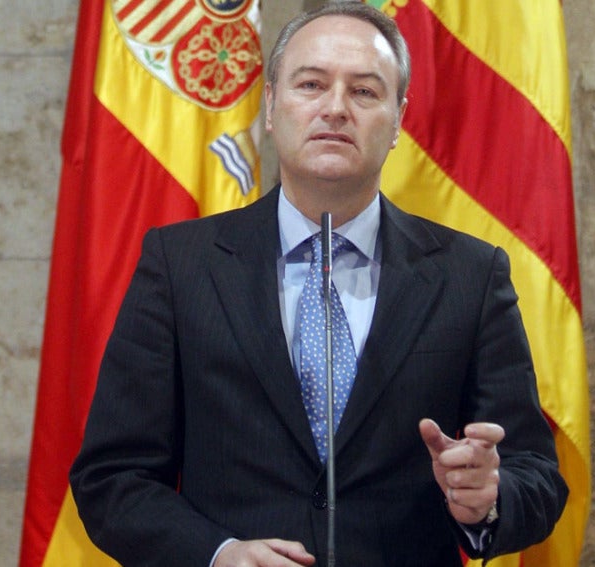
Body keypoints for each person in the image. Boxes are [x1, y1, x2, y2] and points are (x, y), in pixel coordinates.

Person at [69, 2, 567, 566]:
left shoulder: (470, 275)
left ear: (399, 119)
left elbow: (539, 478)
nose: (335, 108)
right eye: (311, 84)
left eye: (364, 92)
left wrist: (490, 498)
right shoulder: (181, 264)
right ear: (273, 105)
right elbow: (111, 478)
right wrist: (217, 554)